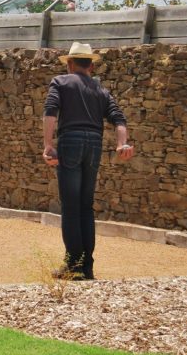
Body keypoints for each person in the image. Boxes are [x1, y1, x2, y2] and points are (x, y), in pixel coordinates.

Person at [42, 42, 134, 280]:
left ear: (70, 64)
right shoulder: (101, 91)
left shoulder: (61, 82)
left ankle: (73, 265)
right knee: (85, 206)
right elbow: (119, 119)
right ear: (91, 66)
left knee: (71, 208)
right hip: (94, 145)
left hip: (71, 142)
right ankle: (87, 267)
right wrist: (121, 144)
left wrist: (48, 145)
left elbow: (51, 112)